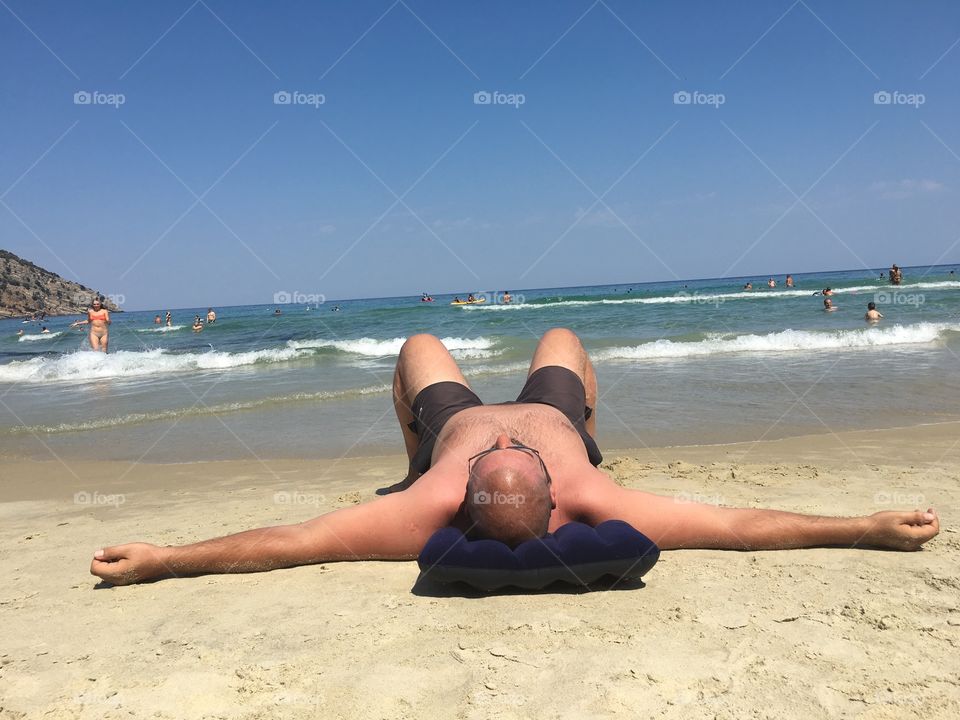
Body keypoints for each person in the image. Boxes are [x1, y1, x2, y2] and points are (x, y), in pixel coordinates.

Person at [90, 329, 939, 586]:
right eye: (510, 452)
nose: (504, 438)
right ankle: (564, 417)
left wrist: (164, 559)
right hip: (563, 417)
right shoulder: (590, 489)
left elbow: (297, 538)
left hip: (437, 441)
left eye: (503, 452)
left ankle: (411, 446)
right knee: (566, 341)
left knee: (418, 345)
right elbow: (739, 526)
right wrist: (862, 525)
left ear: (458, 488)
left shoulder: (427, 503)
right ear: (556, 492)